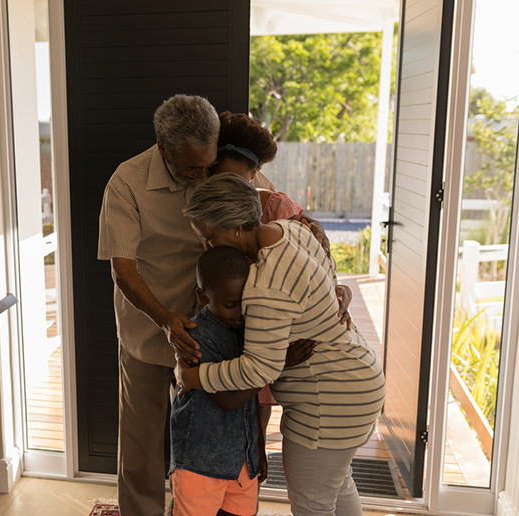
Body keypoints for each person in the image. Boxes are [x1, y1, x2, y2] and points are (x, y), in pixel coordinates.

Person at [178, 173, 386, 516]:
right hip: (359, 380)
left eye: (210, 237)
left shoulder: (266, 285)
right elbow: (329, 275)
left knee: (312, 506)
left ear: (236, 228)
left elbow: (259, 368)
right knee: (338, 485)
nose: (207, 246)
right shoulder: (293, 231)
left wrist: (191, 377)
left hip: (328, 403)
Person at [97, 94, 221, 516]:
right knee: (142, 449)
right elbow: (123, 268)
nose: (202, 175)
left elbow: (270, 202)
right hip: (149, 330)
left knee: (206, 444)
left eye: (207, 165)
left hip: (209, 332)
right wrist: (166, 321)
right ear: (163, 148)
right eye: (192, 168)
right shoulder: (127, 181)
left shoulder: (216, 166)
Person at [208, 111, 354, 438]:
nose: (229, 190)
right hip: (228, 327)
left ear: (254, 175)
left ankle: (258, 461)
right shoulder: (207, 213)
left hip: (271, 334)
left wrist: (339, 292)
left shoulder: (276, 209)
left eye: (239, 182)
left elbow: (317, 265)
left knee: (260, 414)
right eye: (219, 180)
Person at [169, 246, 263, 516]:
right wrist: (274, 366)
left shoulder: (251, 328)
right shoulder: (196, 338)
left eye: (245, 301)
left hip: (242, 462)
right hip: (200, 464)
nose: (240, 311)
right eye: (230, 304)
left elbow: (250, 404)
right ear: (203, 296)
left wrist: (256, 451)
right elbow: (227, 400)